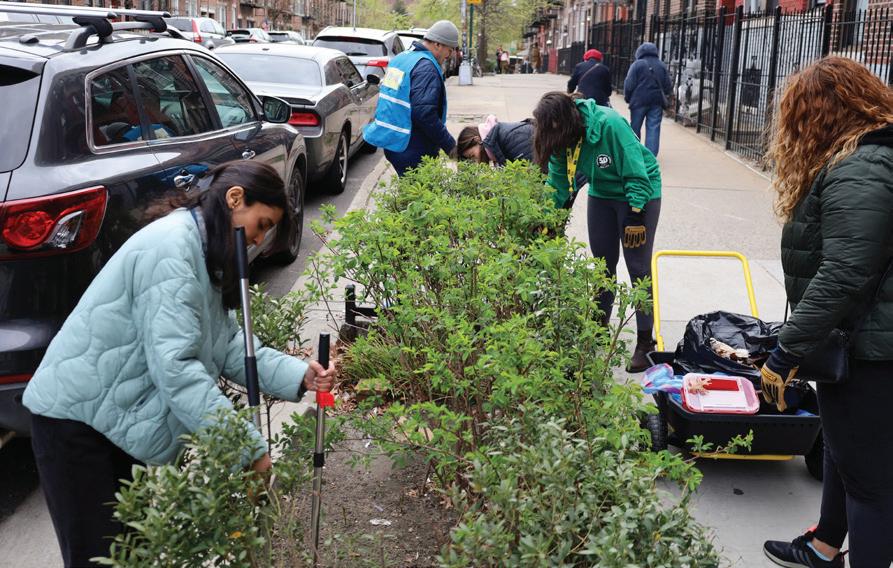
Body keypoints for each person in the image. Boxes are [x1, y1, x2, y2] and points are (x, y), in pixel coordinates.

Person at [22, 161, 337, 567]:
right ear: (235, 199)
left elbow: (227, 344)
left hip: (111, 420)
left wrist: (301, 375)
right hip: (76, 423)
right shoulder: (172, 251)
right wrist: (246, 449)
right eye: (261, 224)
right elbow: (178, 369)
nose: (260, 239)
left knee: (130, 556)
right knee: (99, 558)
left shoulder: (203, 250)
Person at [759, 57, 893, 568]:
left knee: (872, 486)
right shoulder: (867, 158)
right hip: (861, 341)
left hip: (872, 352)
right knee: (842, 450)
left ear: (821, 115)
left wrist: (786, 350)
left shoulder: (860, 168)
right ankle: (823, 546)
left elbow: (844, 273)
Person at [533, 92, 662, 372]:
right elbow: (556, 182)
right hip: (602, 192)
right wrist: (546, 218)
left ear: (566, 121)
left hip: (638, 190)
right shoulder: (562, 138)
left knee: (638, 268)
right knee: (602, 263)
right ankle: (599, 326)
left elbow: (637, 169)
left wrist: (636, 213)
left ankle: (645, 343)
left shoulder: (609, 124)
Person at [362, 20, 459, 177]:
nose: (450, 55)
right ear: (437, 44)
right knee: (422, 191)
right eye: (450, 49)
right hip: (413, 146)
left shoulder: (401, 59)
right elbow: (425, 114)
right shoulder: (426, 68)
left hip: (394, 143)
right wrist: (450, 146)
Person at [623, 42, 672, 157]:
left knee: (635, 127)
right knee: (653, 128)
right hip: (656, 101)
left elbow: (629, 83)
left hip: (638, 101)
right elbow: (667, 85)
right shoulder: (661, 65)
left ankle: (635, 152)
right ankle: (650, 156)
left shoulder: (637, 65)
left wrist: (628, 97)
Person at [456, 114, 534, 166]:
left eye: (472, 156)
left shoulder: (508, 138)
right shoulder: (497, 144)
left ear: (477, 140)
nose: (477, 161)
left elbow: (532, 172)